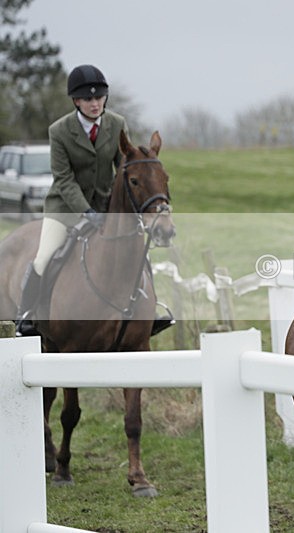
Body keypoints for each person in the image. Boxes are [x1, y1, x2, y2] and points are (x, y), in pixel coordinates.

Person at [16, 64, 173, 337]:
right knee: (44, 257)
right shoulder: (59, 131)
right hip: (65, 208)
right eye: (88, 99)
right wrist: (87, 212)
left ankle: (150, 311)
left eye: (99, 97)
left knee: (139, 251)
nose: (95, 103)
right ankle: (26, 315)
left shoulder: (117, 124)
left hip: (106, 206)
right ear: (76, 101)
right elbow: (64, 179)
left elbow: (124, 168)